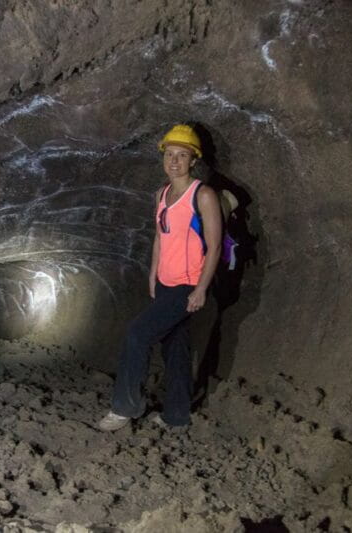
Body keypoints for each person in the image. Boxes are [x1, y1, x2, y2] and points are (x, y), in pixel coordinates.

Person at [98, 124, 222, 431]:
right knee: (175, 348)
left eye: (182, 155)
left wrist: (201, 289)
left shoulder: (203, 196)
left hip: (188, 285)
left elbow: (215, 245)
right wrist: (153, 273)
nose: (175, 161)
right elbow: (160, 236)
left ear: (194, 160)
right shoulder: (162, 194)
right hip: (166, 283)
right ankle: (176, 417)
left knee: (137, 334)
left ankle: (124, 407)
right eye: (170, 154)